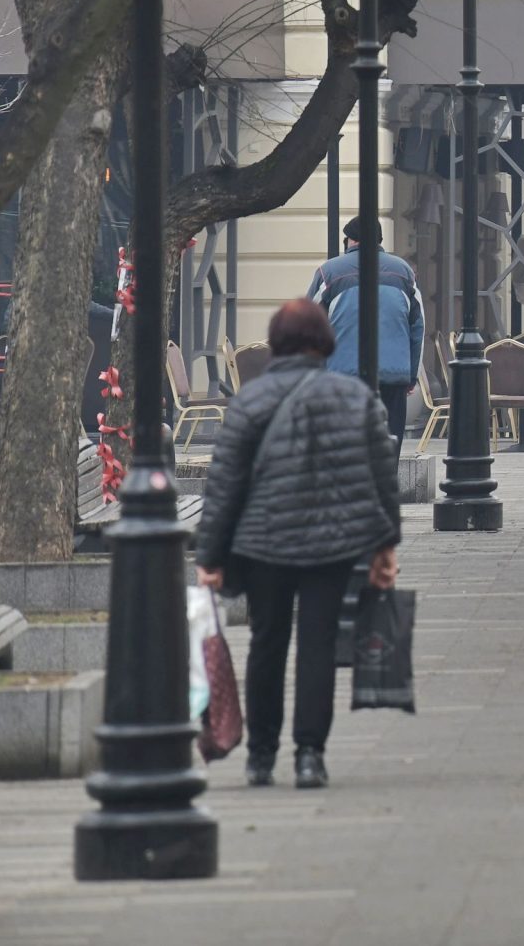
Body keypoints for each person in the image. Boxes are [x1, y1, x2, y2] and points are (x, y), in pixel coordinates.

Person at [195, 298, 400, 789]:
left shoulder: (250, 401)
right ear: (324, 340)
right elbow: (380, 477)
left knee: (267, 643)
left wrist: (211, 556)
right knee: (318, 643)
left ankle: (261, 756)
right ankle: (310, 755)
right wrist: (385, 546)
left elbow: (225, 483)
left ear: (276, 342)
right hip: (332, 543)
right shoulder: (356, 398)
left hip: (264, 543)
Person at [307, 217, 426, 449]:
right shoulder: (404, 272)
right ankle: (384, 483)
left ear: (350, 240)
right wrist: (411, 375)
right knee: (389, 442)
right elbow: (417, 327)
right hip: (393, 376)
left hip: (342, 375)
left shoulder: (328, 272)